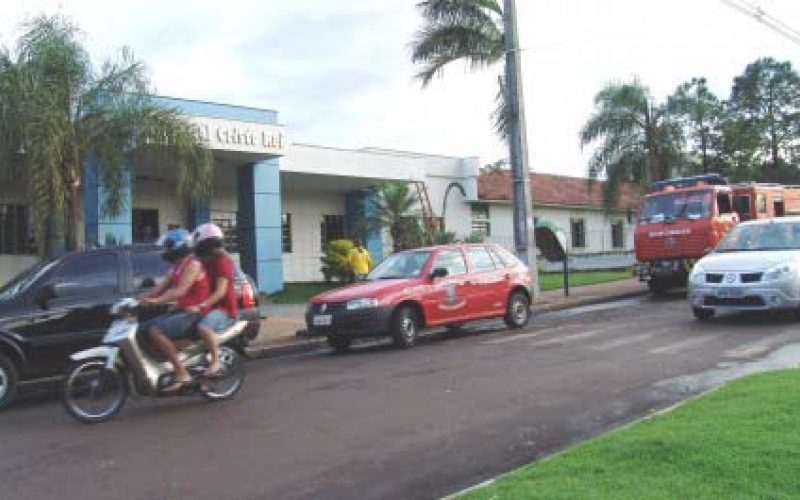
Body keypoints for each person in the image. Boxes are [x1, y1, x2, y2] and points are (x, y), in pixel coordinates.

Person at [139, 228, 211, 392]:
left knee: (156, 331)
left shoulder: (193, 264)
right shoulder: (177, 267)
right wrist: (137, 300)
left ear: (180, 246)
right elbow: (159, 288)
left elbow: (179, 291)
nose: (166, 251)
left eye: (169, 246)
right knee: (140, 329)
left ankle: (182, 372)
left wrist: (156, 301)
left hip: (195, 312)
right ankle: (166, 363)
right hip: (182, 310)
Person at [187, 223, 238, 377]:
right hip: (209, 307)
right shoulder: (203, 261)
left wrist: (201, 305)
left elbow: (220, 292)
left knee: (204, 327)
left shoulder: (222, 262)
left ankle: (216, 362)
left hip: (224, 310)